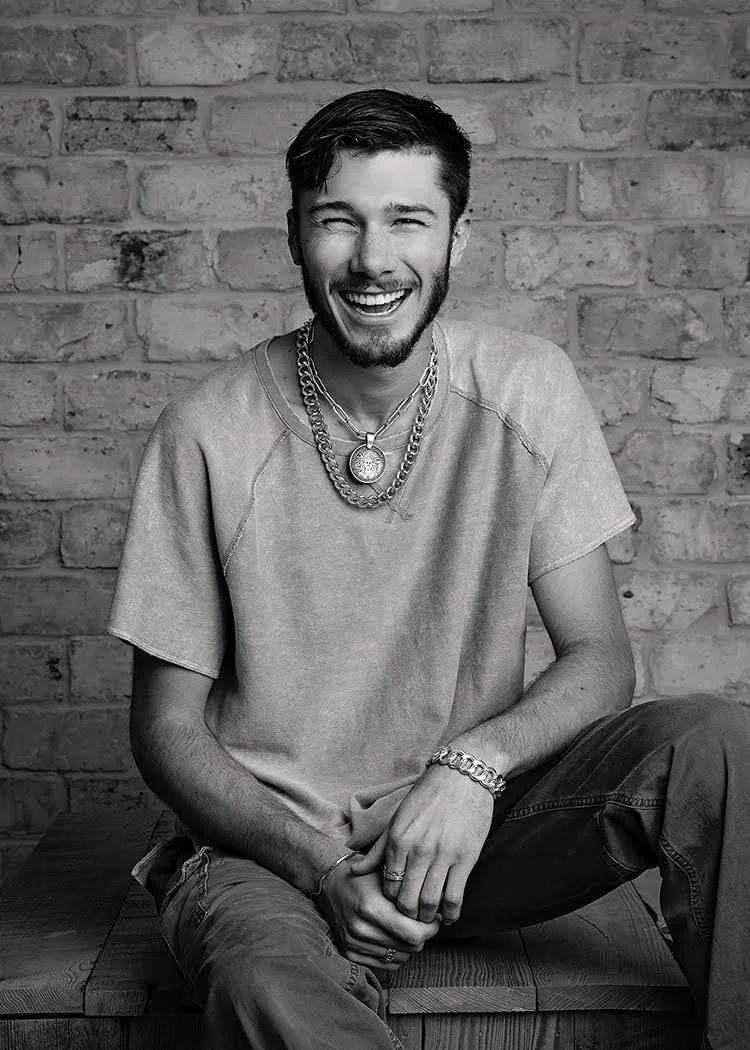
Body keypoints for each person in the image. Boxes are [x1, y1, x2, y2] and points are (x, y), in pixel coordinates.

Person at [107, 89, 749, 1050]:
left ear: (458, 238)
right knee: (261, 979)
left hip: (469, 832)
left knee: (718, 746)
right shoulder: (208, 430)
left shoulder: (528, 386)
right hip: (268, 851)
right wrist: (324, 865)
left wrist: (469, 770)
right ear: (294, 235)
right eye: (340, 221)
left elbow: (600, 660)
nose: (373, 259)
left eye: (408, 219)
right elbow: (166, 731)